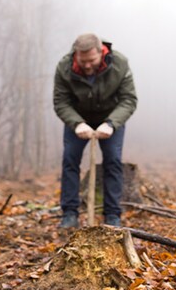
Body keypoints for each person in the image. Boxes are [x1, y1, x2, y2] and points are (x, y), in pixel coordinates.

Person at [53, 33, 137, 228]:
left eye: (91, 60)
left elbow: (128, 99)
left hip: (111, 119)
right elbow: (61, 101)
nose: (87, 65)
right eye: (83, 61)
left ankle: (112, 215)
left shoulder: (120, 64)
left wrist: (111, 124)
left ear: (101, 52)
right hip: (77, 118)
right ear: (76, 54)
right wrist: (77, 123)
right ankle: (69, 214)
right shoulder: (64, 67)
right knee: (70, 161)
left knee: (113, 161)